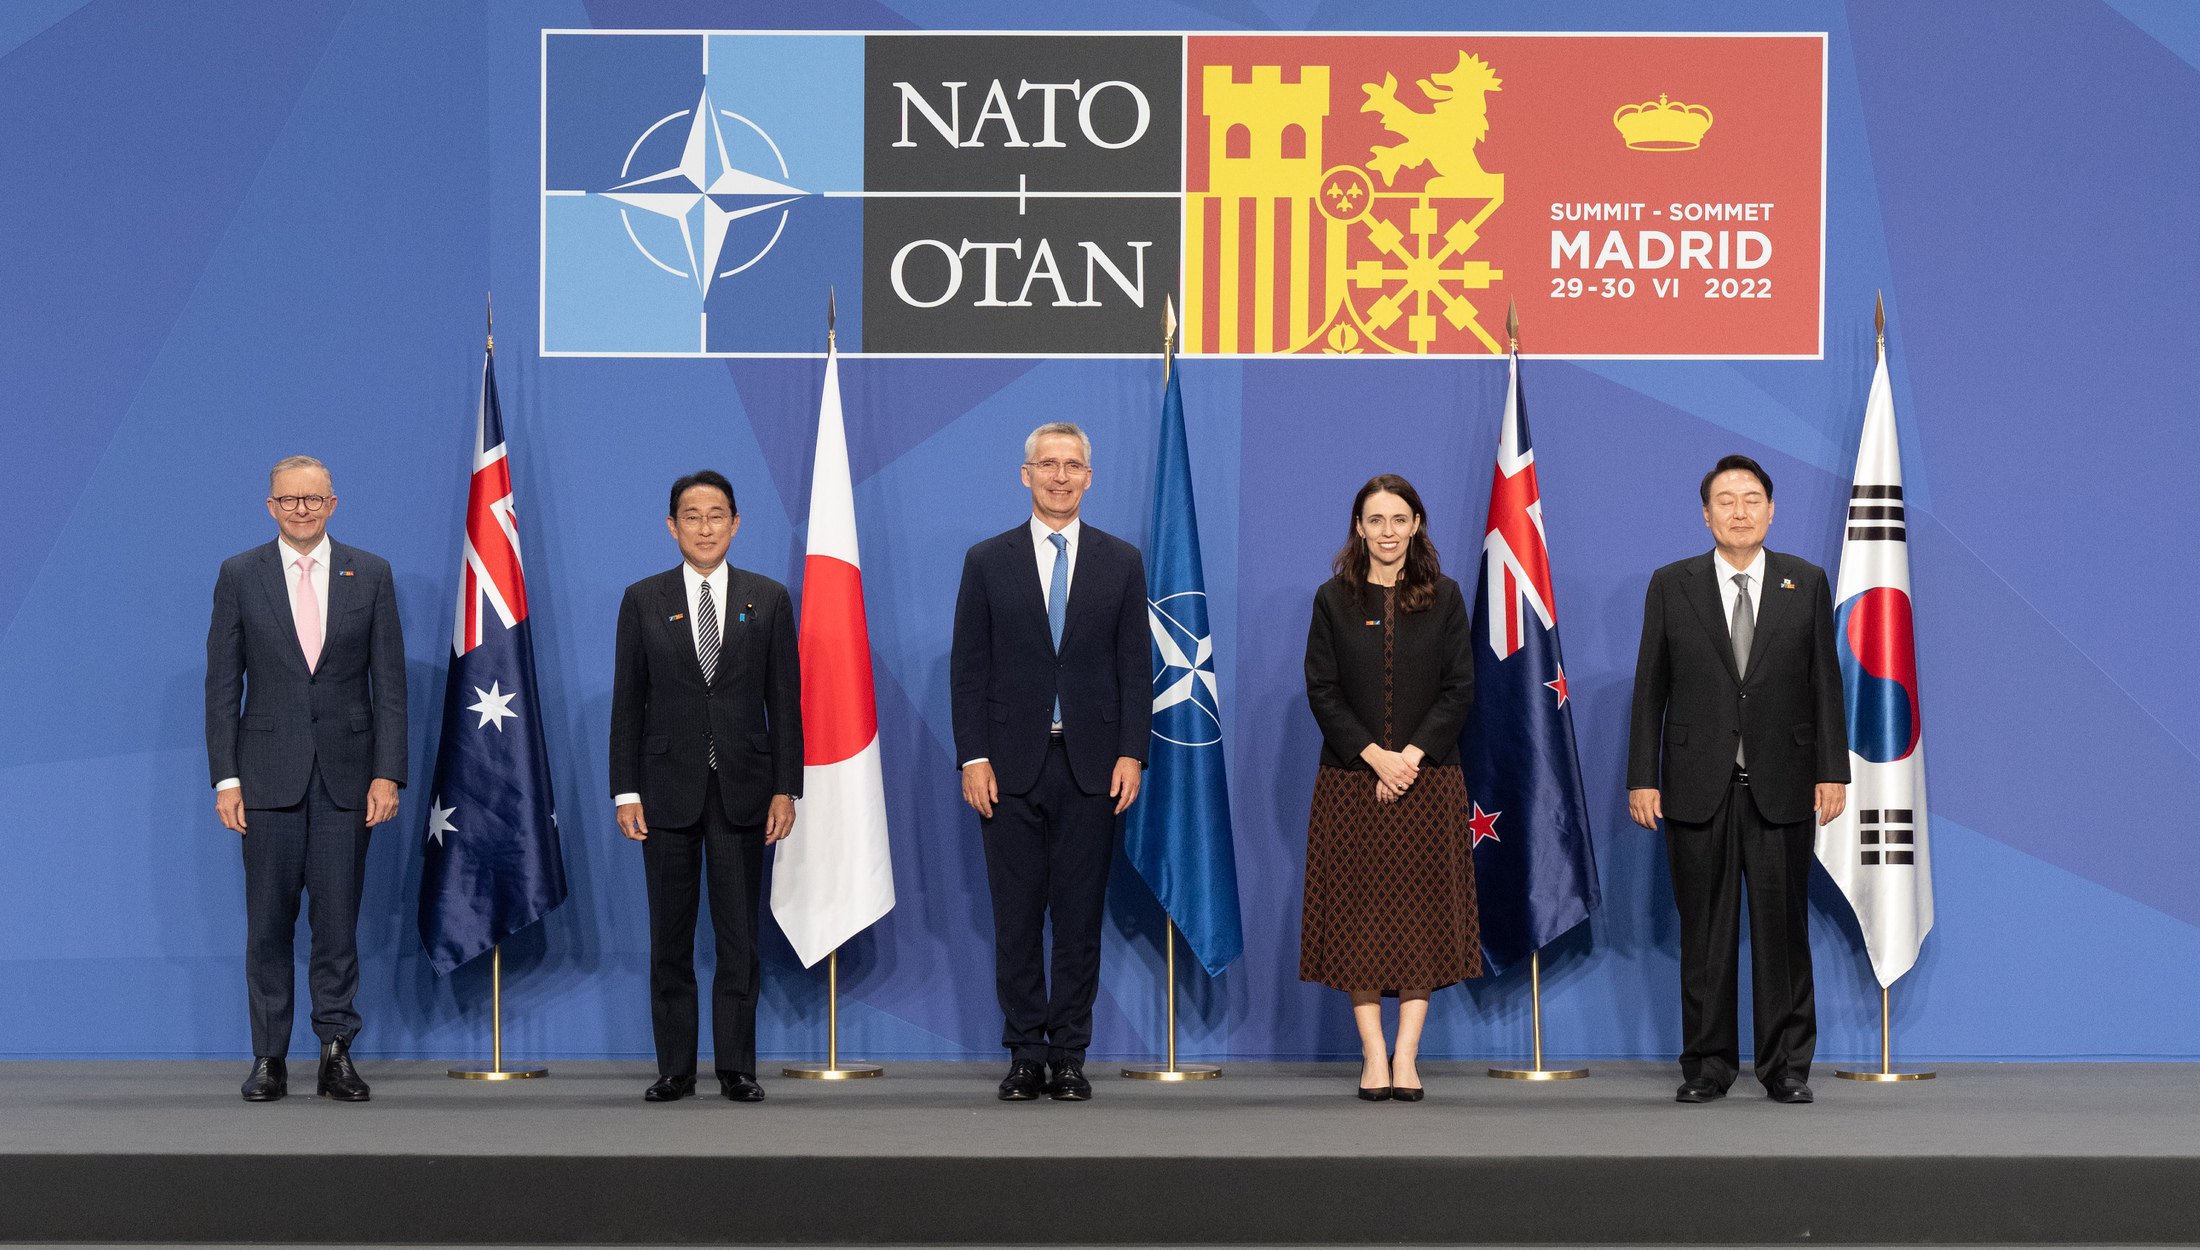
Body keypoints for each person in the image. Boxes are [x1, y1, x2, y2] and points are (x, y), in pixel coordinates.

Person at [1627, 454, 1848, 1105]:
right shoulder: (1673, 584)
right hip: (1698, 787)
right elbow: (1650, 691)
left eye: (1752, 499)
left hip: (1783, 787)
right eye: (1726, 500)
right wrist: (1644, 777)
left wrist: (1832, 771)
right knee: (1707, 935)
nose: (1740, 510)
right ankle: (1708, 1065)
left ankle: (1785, 1067)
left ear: (1771, 510)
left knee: (1782, 936)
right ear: (1706, 513)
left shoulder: (1803, 583)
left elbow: (1825, 688)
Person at [951, 422, 1149, 1102]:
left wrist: (1132, 752)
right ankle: (1024, 1053)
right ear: (1026, 475)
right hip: (1006, 769)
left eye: (1072, 466)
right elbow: (968, 670)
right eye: (1048, 465)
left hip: (1093, 768)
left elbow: (1134, 668)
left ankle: (1069, 1055)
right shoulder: (987, 560)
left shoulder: (1121, 561)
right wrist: (972, 756)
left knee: (1078, 917)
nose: (1060, 476)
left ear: (1089, 478)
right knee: (1015, 918)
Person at [205, 455, 405, 1103]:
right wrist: (225, 778)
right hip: (264, 780)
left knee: (338, 923)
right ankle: (269, 1058)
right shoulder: (240, 575)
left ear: (333, 504)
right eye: (288, 500)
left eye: (312, 500)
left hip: (349, 781)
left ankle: (335, 1054)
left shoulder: (370, 573)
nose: (300, 510)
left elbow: (390, 687)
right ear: (270, 507)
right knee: (267, 925)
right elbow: (221, 686)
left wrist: (388, 773)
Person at [610, 470, 800, 1104]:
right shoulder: (643, 599)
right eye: (691, 516)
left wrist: (786, 788)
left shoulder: (768, 598)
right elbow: (627, 705)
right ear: (672, 527)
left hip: (745, 790)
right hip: (664, 791)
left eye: (717, 514)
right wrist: (624, 790)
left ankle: (737, 1068)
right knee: (670, 935)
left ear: (736, 522)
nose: (705, 527)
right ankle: (675, 1069)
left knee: (739, 936)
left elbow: (786, 702)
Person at [1299, 474, 1480, 1102]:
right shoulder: (1332, 599)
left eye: (1399, 519)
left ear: (1417, 526)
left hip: (1429, 783)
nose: (1388, 532)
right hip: (1351, 783)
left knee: (1421, 919)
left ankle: (1407, 1056)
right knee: (1360, 920)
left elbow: (1460, 687)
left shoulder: (1447, 597)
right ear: (1358, 527)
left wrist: (1409, 758)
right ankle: (1373, 1055)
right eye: (1376, 520)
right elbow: (1322, 690)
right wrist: (1376, 758)